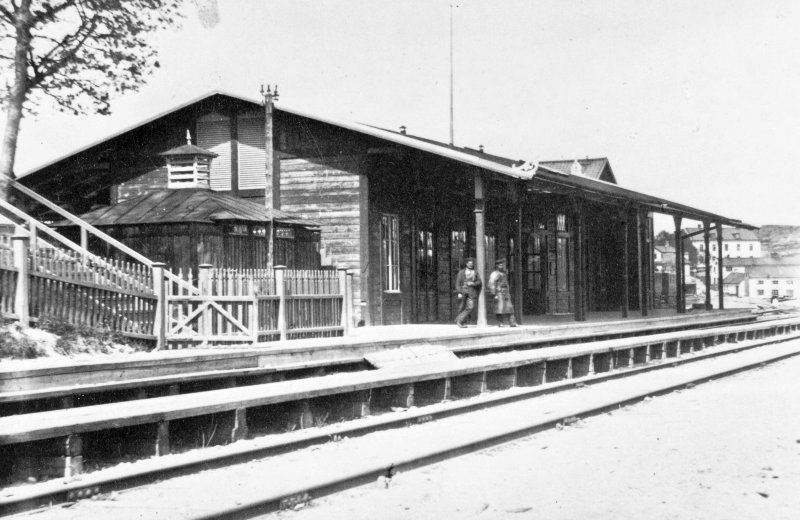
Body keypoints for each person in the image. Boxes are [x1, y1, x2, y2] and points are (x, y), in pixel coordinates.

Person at [488, 259, 517, 327]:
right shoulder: (494, 274)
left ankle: (512, 322)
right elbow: (491, 283)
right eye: (500, 265)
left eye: (502, 265)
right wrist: (494, 294)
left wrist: (508, 292)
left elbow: (506, 283)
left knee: (510, 307)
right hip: (499, 292)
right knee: (499, 308)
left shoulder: (504, 273)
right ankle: (500, 323)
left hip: (505, 292)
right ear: (497, 266)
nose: (502, 266)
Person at [455, 258, 482, 327]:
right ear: (466, 264)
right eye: (469, 263)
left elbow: (479, 282)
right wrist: (459, 292)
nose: (470, 265)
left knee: (470, 307)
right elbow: (457, 283)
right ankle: (461, 322)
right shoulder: (461, 272)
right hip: (463, 291)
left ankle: (459, 320)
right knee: (461, 306)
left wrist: (473, 283)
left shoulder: (475, 272)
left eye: (471, 264)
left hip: (472, 292)